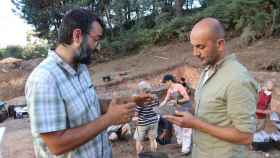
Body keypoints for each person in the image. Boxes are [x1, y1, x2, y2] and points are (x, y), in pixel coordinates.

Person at [25, 9, 137, 158]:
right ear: (77, 36)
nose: (98, 47)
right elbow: (56, 145)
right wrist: (109, 118)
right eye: (96, 39)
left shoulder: (81, 68)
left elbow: (90, 104)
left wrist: (122, 103)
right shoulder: (44, 79)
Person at [164, 18, 259, 158]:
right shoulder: (207, 71)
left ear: (220, 44)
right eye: (193, 46)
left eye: (200, 47)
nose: (195, 53)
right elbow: (210, 111)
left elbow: (245, 136)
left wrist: (195, 123)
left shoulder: (237, 79)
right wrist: (183, 111)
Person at [160, 74, 192, 155]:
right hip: (177, 109)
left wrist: (176, 101)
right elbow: (165, 100)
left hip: (185, 108)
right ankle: (180, 142)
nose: (165, 84)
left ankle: (186, 149)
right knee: (176, 125)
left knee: (186, 128)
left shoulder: (179, 87)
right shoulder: (169, 90)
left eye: (165, 82)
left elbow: (187, 98)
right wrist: (159, 107)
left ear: (170, 81)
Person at [133, 81, 159, 156]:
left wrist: (135, 119)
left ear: (142, 91)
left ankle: (138, 155)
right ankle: (154, 155)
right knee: (153, 139)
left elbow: (136, 114)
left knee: (138, 140)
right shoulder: (155, 98)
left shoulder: (141, 101)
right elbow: (157, 108)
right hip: (154, 121)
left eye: (139, 92)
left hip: (142, 123)